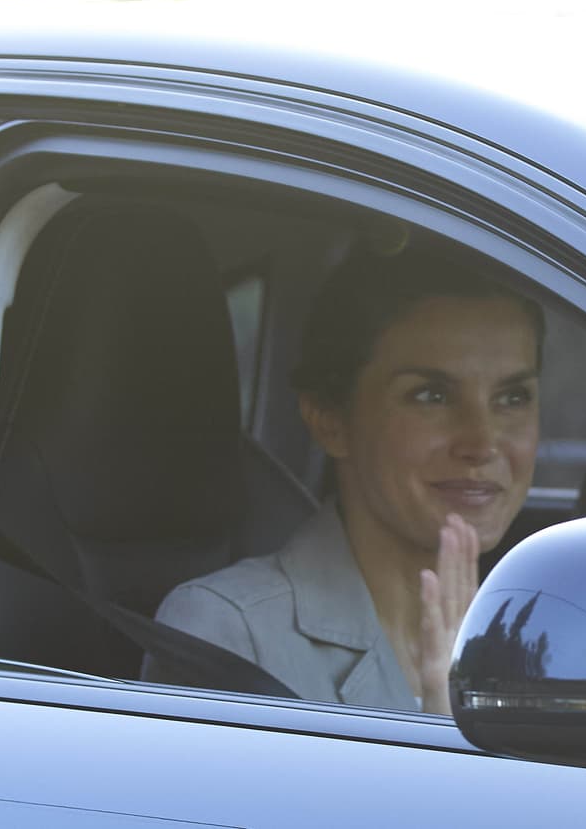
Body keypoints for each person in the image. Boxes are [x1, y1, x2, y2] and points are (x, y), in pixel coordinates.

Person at [144, 237, 543, 714]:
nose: (482, 442)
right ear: (330, 421)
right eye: (431, 396)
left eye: (513, 398)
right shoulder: (229, 632)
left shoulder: (556, 629)